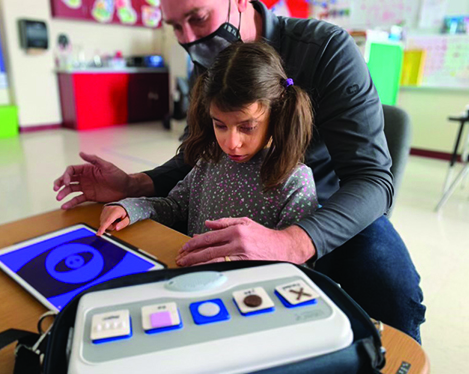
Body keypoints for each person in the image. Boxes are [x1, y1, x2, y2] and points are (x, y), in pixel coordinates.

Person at [53, 0, 426, 342]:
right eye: (175, 27)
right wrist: (135, 185)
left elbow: (373, 179)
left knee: (392, 284)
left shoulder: (325, 48)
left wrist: (293, 241)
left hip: (330, 204)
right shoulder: (210, 62)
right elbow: (196, 156)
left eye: (197, 18)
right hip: (235, 202)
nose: (188, 38)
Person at [96, 42, 318, 255]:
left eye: (247, 127)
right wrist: (132, 208)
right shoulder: (210, 161)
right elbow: (175, 206)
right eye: (220, 125)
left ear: (276, 114)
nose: (231, 143)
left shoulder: (295, 182)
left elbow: (295, 260)